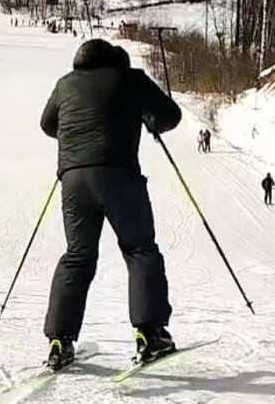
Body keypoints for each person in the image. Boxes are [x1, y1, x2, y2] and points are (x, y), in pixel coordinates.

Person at [39, 38, 182, 371]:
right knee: (140, 250)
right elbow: (169, 116)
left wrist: (76, 133)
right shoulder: (131, 79)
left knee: (78, 255)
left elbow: (48, 125)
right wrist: (148, 119)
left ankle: (60, 342)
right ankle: (151, 335)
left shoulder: (65, 84)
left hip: (74, 180)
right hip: (119, 175)